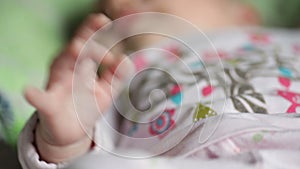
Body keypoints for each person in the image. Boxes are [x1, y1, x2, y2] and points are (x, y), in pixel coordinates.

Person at [18, 0, 300, 168]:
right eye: (108, 12)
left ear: (243, 14)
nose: (119, 4)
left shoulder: (284, 39)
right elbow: (74, 159)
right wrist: (67, 137)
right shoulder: (116, 86)